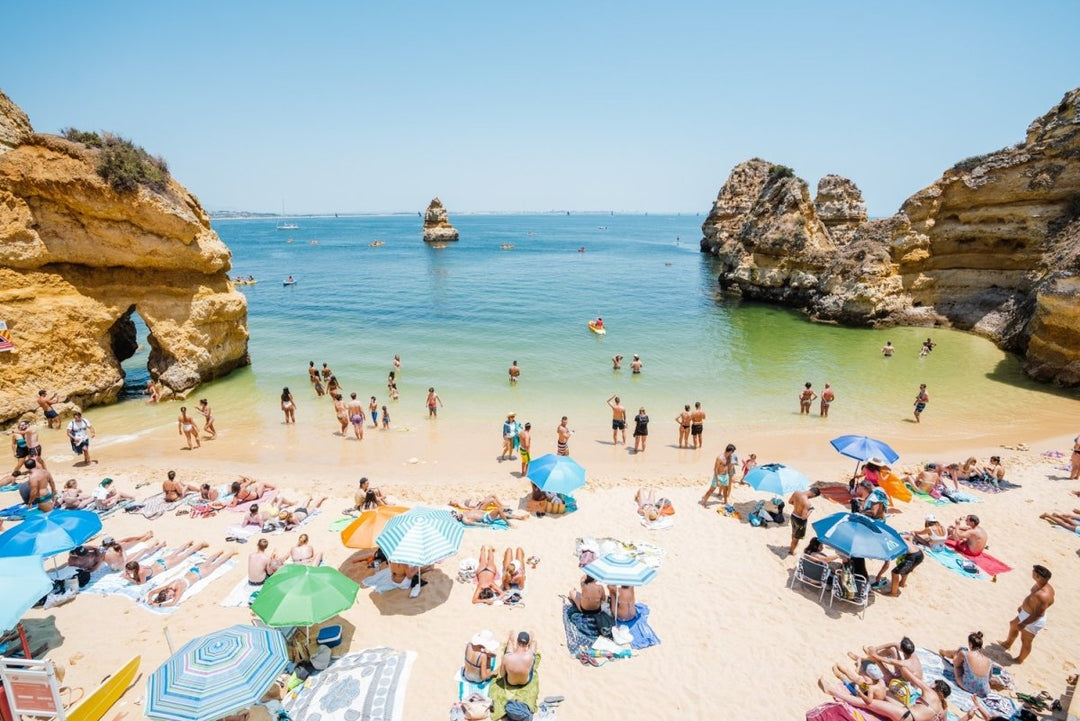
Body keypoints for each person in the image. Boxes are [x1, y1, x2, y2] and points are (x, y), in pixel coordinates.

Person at [821, 675, 950, 721]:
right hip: (908, 712)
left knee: (868, 703)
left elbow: (910, 675)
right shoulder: (943, 708)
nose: (930, 684)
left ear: (937, 687)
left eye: (933, 683)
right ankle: (865, 687)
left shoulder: (930, 693)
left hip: (905, 714)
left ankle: (832, 691)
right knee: (885, 693)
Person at [1000, 564, 1054, 663]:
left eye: (1033, 572)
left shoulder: (1043, 595)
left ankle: (1020, 659)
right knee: (1013, 625)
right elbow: (1034, 598)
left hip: (1033, 619)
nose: (1032, 573)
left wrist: (1024, 623)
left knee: (1026, 640)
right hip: (1026, 613)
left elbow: (1038, 614)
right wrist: (1023, 607)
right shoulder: (1040, 584)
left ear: (1038, 576)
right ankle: (1007, 644)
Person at [145, 550, 236, 607]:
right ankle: (221, 552)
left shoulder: (178, 588)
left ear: (166, 592)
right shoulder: (168, 587)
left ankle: (230, 553)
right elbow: (152, 592)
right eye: (170, 597)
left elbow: (173, 603)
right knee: (209, 562)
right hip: (194, 571)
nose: (172, 596)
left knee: (216, 564)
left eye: (169, 595)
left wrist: (158, 604)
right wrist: (151, 599)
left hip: (200, 574)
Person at [124, 541, 206, 584]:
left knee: (185, 555)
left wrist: (129, 579)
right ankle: (188, 543)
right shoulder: (138, 565)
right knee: (175, 553)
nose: (127, 571)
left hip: (165, 566)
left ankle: (200, 544)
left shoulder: (141, 573)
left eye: (128, 570)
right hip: (160, 562)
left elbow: (141, 583)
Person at [940, 632, 992, 697]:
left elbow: (955, 663)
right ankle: (943, 652)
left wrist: (958, 651)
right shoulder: (989, 661)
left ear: (970, 644)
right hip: (984, 691)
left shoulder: (965, 654)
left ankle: (943, 652)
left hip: (969, 687)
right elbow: (989, 678)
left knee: (959, 654)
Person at [788, 486, 821, 555]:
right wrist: (810, 510)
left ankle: (792, 545)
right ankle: (791, 551)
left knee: (794, 531)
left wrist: (798, 506)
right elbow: (804, 517)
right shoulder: (807, 503)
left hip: (793, 515)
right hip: (799, 520)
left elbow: (790, 502)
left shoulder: (797, 493)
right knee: (796, 538)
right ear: (814, 495)